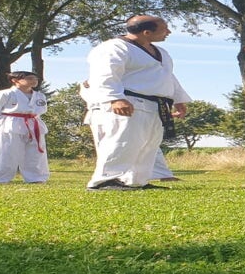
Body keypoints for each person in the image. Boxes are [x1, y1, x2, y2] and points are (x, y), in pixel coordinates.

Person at [86, 16, 190, 190]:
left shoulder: (161, 52)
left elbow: (168, 77)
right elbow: (105, 74)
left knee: (148, 145)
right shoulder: (114, 47)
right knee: (122, 141)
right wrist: (115, 98)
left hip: (155, 104)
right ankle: (105, 180)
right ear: (146, 32)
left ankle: (136, 180)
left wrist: (178, 100)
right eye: (164, 29)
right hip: (128, 101)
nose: (169, 32)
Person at [81, 80, 181, 182]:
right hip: (101, 112)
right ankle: (110, 177)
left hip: (130, 109)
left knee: (146, 144)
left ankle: (159, 174)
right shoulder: (97, 82)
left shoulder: (126, 80)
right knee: (110, 146)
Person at [0, 71, 50, 184]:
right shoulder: (5, 94)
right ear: (15, 80)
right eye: (29, 78)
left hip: (33, 123)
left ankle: (36, 178)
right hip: (10, 124)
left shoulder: (39, 96)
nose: (34, 81)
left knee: (35, 153)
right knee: (7, 152)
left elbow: (40, 111)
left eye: (35, 79)